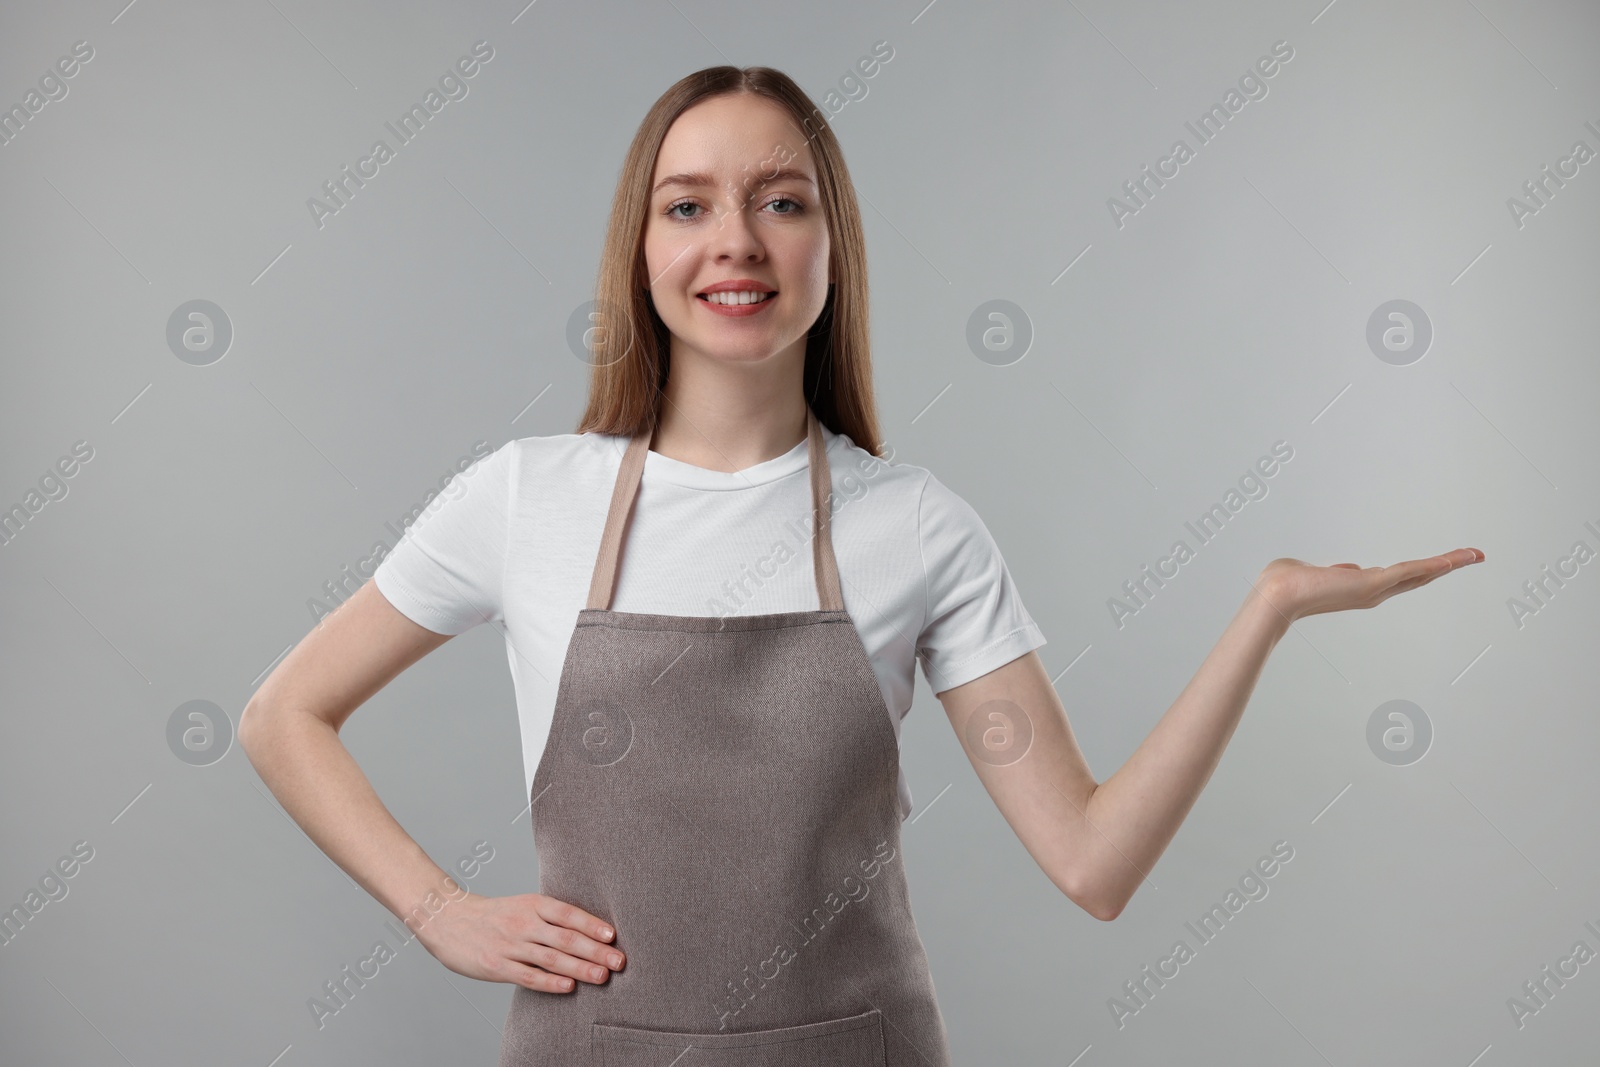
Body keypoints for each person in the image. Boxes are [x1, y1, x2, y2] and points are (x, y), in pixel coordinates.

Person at [239, 66, 1483, 1065]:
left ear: (832, 245)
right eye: (688, 205)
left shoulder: (918, 527)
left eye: (780, 200)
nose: (735, 240)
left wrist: (1265, 610)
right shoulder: (524, 496)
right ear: (641, 246)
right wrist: (438, 910)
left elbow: (1093, 863)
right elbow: (282, 713)